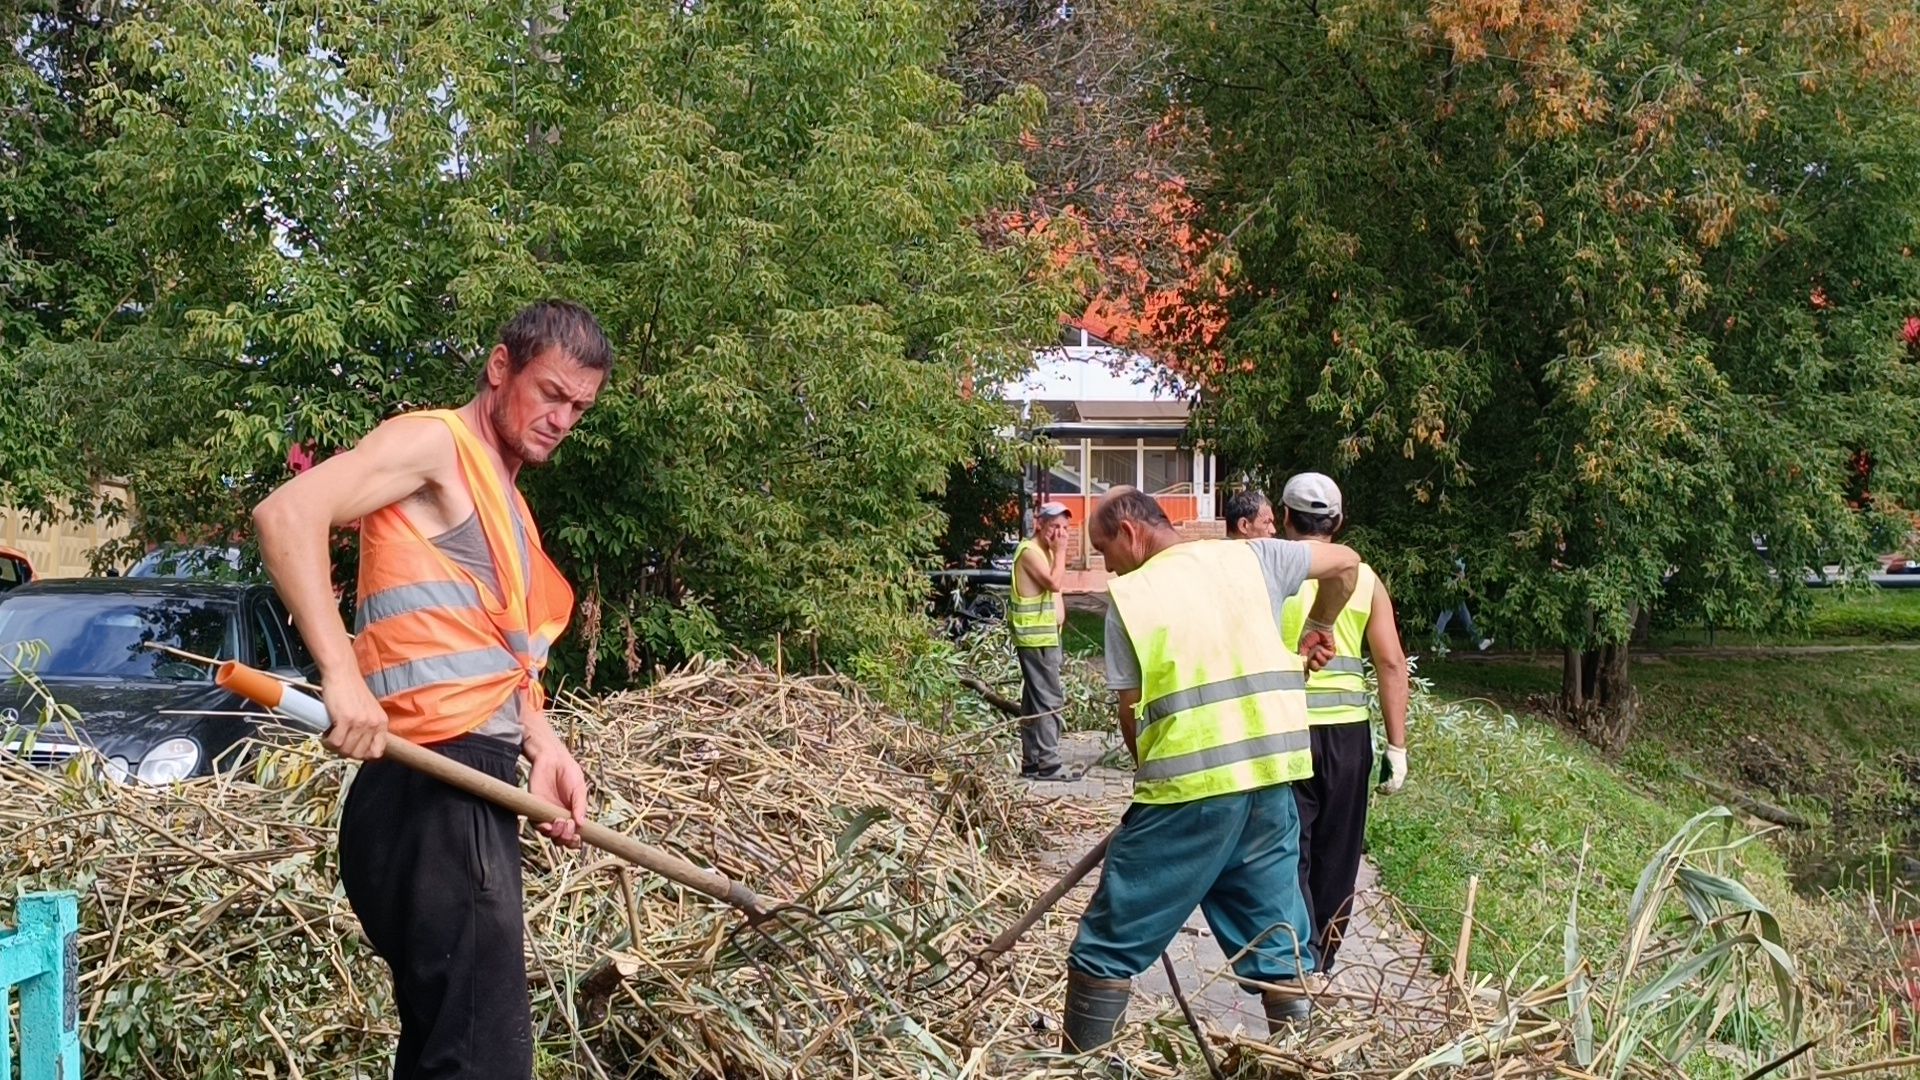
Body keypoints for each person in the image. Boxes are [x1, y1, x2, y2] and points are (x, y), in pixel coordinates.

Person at [252, 300, 611, 1080]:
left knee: (445, 1055)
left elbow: (503, 664)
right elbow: (286, 515)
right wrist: (341, 675)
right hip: (434, 795)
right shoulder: (436, 445)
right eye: (550, 393)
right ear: (499, 367)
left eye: (578, 407)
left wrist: (544, 746)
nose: (562, 418)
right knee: (483, 1063)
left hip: (464, 793)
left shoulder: (508, 507)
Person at [1061, 486, 1362, 1052]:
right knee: (1280, 945)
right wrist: (1320, 623)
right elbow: (1346, 563)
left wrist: (1151, 792)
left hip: (1188, 795)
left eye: (1104, 550)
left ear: (1130, 533)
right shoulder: (1255, 556)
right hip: (1272, 787)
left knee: (1105, 944)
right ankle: (1302, 1060)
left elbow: (1133, 719)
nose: (1108, 565)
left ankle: (1078, 1066)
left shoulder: (1133, 597)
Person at [1275, 472, 1410, 977]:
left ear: (1285, 516)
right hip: (1349, 741)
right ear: (1338, 521)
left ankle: (1297, 956)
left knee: (1292, 850)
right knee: (1339, 855)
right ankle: (1322, 961)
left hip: (1285, 732)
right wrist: (1397, 747)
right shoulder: (1366, 579)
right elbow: (1391, 664)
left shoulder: (1271, 572)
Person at [1010, 501, 1072, 780]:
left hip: (1044, 636)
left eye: (1065, 528)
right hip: (1036, 638)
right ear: (1040, 524)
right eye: (1054, 527)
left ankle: (1032, 761)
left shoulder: (1045, 551)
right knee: (1049, 699)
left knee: (1034, 701)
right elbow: (1054, 584)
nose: (1059, 534)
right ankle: (1050, 763)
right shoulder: (1031, 552)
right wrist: (1061, 553)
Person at [1433, 556, 1492, 651]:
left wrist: (1468, 589)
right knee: (1444, 617)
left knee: (1466, 619)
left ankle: (1480, 642)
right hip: (1451, 594)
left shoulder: (1459, 559)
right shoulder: (1451, 560)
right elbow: (1458, 578)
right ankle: (1436, 642)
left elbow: (1461, 578)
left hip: (1457, 595)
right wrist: (1469, 590)